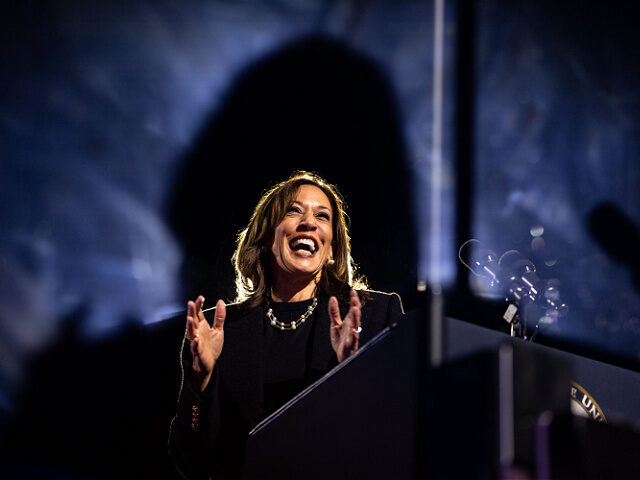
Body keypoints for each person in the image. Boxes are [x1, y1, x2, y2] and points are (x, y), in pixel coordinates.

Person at [168, 171, 404, 479]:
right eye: (294, 211)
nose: (309, 222)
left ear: (331, 248)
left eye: (323, 216)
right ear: (267, 236)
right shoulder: (217, 329)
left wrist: (354, 372)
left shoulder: (376, 315)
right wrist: (201, 378)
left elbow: (397, 435)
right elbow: (193, 463)